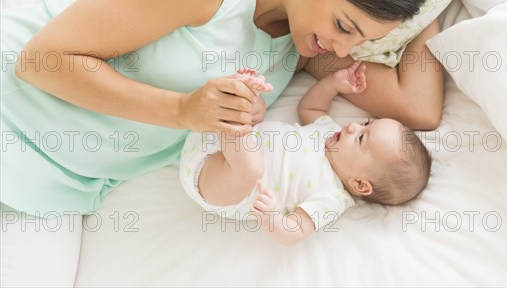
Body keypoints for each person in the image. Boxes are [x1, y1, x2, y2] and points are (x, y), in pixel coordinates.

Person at [1, 0, 442, 286]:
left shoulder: (304, 37)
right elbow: (41, 60)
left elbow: (417, 108)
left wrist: (428, 3)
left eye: (361, 41)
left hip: (63, 188)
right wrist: (182, 111)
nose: (344, 51)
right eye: (345, 27)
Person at [180, 62, 431, 244]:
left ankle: (235, 105)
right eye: (366, 123)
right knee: (259, 111)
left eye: (362, 138)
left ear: (360, 184)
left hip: (217, 185)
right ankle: (239, 103)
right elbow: (311, 107)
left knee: (251, 169)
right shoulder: (330, 133)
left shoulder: (333, 197)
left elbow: (296, 230)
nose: (353, 126)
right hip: (213, 139)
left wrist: (273, 219)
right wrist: (333, 84)